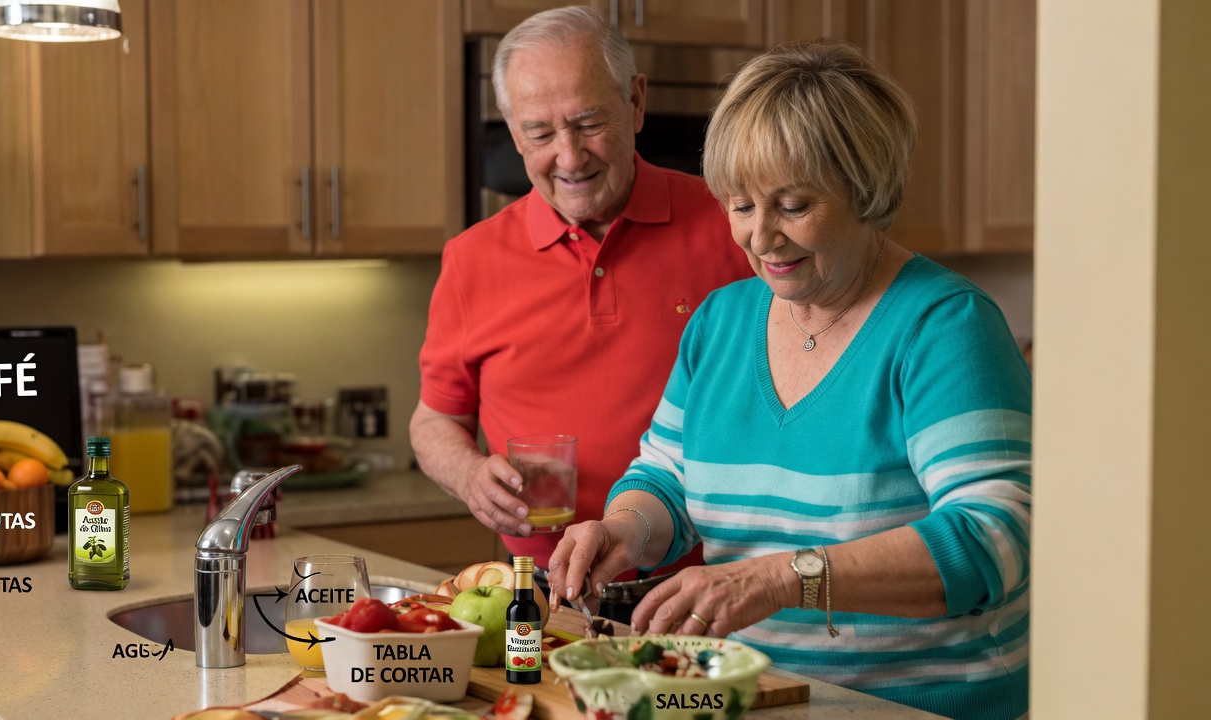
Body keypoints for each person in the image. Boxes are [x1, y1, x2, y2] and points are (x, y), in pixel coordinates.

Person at [547, 40, 1031, 720]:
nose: (761, 237)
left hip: (915, 707)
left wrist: (784, 578)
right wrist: (624, 531)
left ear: (865, 189)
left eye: (794, 205)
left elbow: (995, 538)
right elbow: (666, 479)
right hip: (752, 698)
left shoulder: (944, 327)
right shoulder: (721, 321)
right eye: (740, 205)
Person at [410, 6, 753, 576]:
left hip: (710, 581)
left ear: (636, 101)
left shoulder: (735, 227)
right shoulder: (470, 260)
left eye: (589, 123)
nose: (569, 158)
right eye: (539, 133)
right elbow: (433, 421)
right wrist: (470, 474)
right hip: (546, 593)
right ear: (511, 126)